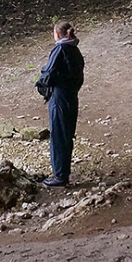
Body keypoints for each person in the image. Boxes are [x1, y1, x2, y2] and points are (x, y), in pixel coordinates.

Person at [36, 20, 84, 187]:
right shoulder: (75, 51)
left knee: (58, 136)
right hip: (71, 96)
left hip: (60, 97)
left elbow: (48, 73)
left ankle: (60, 176)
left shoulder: (61, 49)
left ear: (57, 34)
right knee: (66, 135)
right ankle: (63, 173)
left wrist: (41, 87)